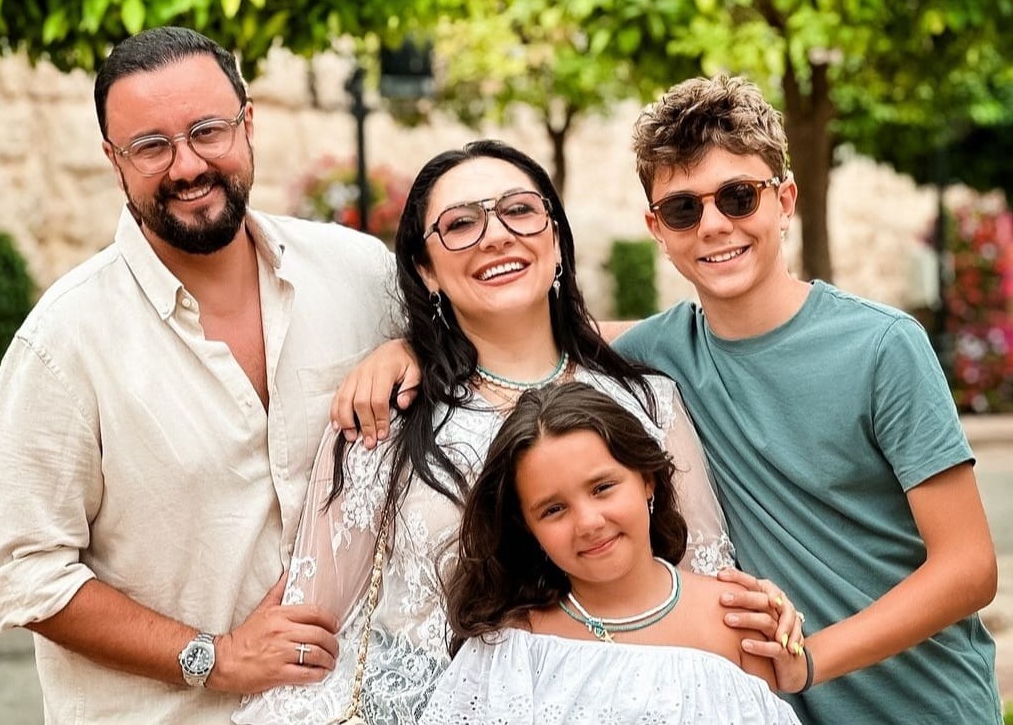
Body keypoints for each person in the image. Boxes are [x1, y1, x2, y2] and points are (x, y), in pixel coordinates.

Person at [234, 140, 754, 725]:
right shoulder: (385, 416)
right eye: (460, 224)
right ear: (426, 270)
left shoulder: (649, 402)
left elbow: (705, 590)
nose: (496, 236)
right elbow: (312, 626)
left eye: (519, 210)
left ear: (555, 239)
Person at [0, 27, 400, 724]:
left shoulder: (363, 275)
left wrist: (414, 351)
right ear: (113, 160)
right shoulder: (62, 344)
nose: (188, 165)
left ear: (247, 123)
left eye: (207, 131)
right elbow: (22, 570)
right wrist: (213, 658)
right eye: (151, 146)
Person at [615, 74, 1000, 723]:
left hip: (926, 706)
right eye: (683, 209)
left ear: (785, 199)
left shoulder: (883, 346)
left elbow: (969, 567)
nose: (714, 225)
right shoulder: (653, 355)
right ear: (657, 227)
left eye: (739, 196)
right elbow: (541, 342)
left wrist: (809, 658)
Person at [422, 382, 804, 724]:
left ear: (647, 479)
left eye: (602, 488)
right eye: (553, 509)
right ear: (526, 527)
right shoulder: (513, 643)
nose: (588, 523)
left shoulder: (736, 617)